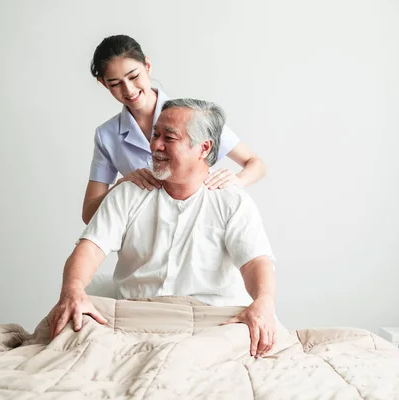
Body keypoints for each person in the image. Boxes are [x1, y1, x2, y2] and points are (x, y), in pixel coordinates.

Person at [50, 99, 277, 359]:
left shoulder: (232, 200)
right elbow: (90, 249)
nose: (155, 145)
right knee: (67, 334)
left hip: (210, 321)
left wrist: (264, 301)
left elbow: (255, 263)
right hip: (134, 317)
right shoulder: (128, 192)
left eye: (168, 137)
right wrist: (73, 288)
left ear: (204, 147)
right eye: (155, 134)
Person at [82, 35, 267, 224]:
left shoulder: (192, 115)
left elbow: (256, 163)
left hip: (203, 225)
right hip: (146, 235)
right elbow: (89, 214)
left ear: (147, 66)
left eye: (134, 76)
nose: (128, 89)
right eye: (115, 84)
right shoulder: (107, 135)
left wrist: (238, 181)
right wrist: (122, 186)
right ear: (103, 83)